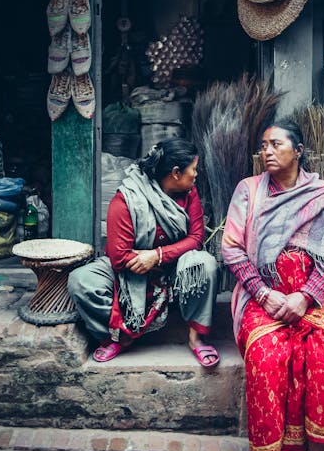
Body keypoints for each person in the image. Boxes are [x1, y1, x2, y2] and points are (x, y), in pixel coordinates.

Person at [221, 120, 324, 451]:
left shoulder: (321, 193)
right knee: (267, 359)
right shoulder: (249, 191)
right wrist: (265, 294)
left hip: (311, 299)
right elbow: (232, 249)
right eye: (263, 146)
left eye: (276, 144)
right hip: (264, 297)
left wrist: (305, 296)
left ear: (298, 149)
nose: (267, 151)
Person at [68, 137, 220, 367]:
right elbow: (119, 259)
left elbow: (196, 239)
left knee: (204, 264)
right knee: (81, 280)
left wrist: (157, 255)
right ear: (176, 173)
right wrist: (146, 262)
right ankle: (117, 337)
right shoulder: (126, 199)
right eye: (194, 170)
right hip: (131, 272)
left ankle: (196, 337)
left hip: (173, 268)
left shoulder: (189, 194)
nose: (196, 175)